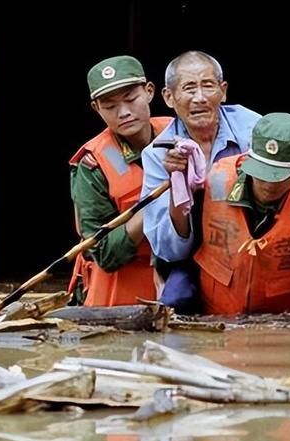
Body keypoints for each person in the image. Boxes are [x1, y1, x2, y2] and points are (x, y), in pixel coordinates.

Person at [140, 51, 290, 312]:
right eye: (189, 88)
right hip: (201, 250)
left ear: (223, 91)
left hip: (266, 243)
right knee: (173, 305)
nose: (199, 98)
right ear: (168, 97)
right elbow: (171, 251)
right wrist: (179, 185)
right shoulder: (158, 154)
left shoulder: (250, 126)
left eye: (208, 86)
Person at [68, 55, 172, 306]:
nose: (123, 112)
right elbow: (103, 253)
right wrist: (155, 207)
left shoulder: (179, 134)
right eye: (110, 106)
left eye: (130, 99)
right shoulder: (93, 164)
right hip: (120, 291)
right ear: (96, 108)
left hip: (178, 280)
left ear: (149, 92)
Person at [195, 112, 290, 313]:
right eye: (262, 172)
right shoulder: (216, 180)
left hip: (282, 327)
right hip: (214, 319)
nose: (269, 184)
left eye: (279, 176)